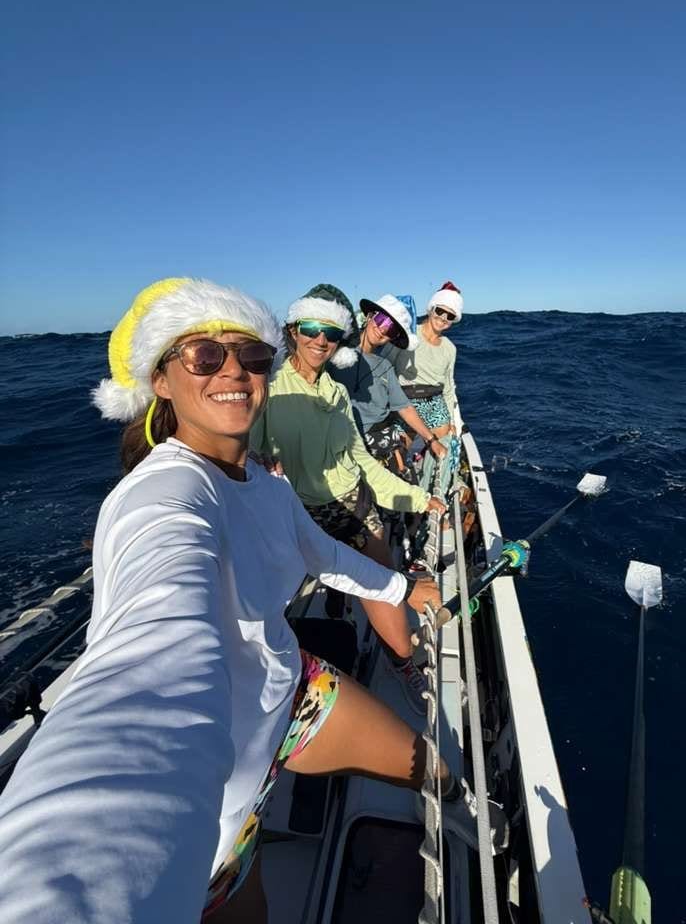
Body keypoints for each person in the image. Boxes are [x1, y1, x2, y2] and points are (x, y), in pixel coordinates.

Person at [0, 277, 501, 924]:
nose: (233, 370)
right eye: (205, 356)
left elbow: (324, 556)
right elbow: (150, 664)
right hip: (214, 803)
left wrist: (405, 586)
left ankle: (477, 819)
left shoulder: (263, 486)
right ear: (160, 380)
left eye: (250, 356)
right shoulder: (164, 496)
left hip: (291, 691)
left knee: (433, 770)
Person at [249, 284, 446, 715]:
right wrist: (258, 461)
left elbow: (362, 461)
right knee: (371, 577)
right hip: (298, 509)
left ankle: (398, 662)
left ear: (340, 341)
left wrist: (417, 498)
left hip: (352, 502)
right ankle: (389, 653)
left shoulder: (337, 395)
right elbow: (246, 451)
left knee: (383, 572)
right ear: (293, 331)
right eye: (311, 329)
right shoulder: (268, 390)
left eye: (331, 333)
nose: (320, 340)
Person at [327, 292, 449, 468]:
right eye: (381, 320)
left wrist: (431, 440)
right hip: (346, 440)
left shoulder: (385, 366)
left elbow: (405, 407)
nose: (383, 329)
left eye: (391, 329)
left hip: (384, 441)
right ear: (369, 316)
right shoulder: (335, 352)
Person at [384, 281, 463, 440]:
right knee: (398, 450)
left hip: (434, 402)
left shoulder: (450, 348)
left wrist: (453, 422)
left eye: (450, 316)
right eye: (440, 311)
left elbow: (448, 388)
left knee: (445, 447)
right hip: (404, 400)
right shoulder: (408, 333)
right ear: (431, 309)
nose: (443, 318)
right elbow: (384, 365)